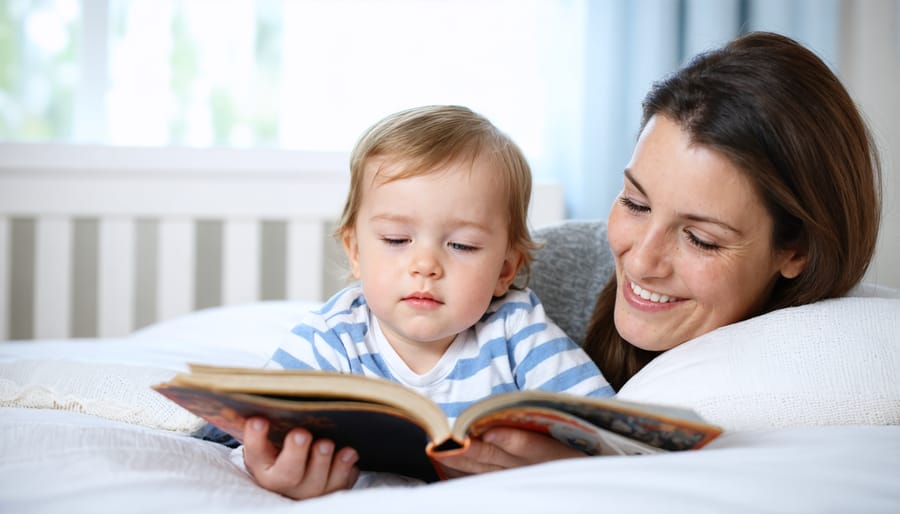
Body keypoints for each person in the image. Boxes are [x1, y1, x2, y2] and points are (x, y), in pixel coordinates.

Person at [432, 31, 882, 476]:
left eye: (700, 239)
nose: (642, 261)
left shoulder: (827, 357)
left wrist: (587, 479)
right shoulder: (532, 281)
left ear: (795, 251)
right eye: (635, 203)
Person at [240, 105, 614, 499]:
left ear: (505, 270)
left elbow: (606, 431)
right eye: (396, 240)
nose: (425, 266)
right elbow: (251, 431)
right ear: (355, 251)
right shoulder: (332, 336)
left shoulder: (518, 329)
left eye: (462, 245)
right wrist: (276, 468)